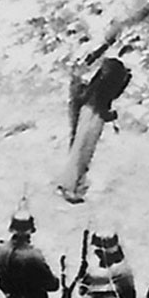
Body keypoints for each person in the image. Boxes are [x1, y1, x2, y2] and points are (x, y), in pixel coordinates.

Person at [58, 53, 131, 205]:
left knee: (79, 149)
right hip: (94, 117)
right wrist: (112, 115)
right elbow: (104, 104)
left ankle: (71, 184)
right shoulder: (105, 88)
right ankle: (71, 187)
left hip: (89, 113)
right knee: (83, 151)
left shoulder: (96, 85)